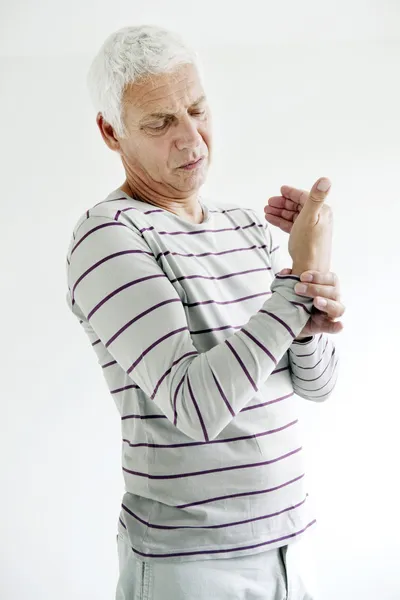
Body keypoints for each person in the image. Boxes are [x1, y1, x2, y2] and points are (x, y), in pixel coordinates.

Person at [65, 24, 345, 600]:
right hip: (191, 566)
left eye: (196, 110)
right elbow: (196, 405)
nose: (192, 139)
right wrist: (293, 288)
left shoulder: (245, 224)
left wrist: (308, 289)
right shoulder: (110, 237)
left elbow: (316, 385)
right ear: (110, 132)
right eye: (161, 122)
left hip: (293, 545)